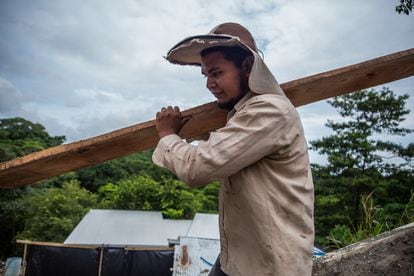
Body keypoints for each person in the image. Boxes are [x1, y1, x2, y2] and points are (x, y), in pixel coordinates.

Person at [152, 22, 314, 276]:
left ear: (248, 67)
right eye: (206, 75)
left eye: (216, 73)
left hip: (270, 267)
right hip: (239, 258)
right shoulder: (244, 113)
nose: (209, 84)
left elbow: (197, 167)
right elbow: (225, 142)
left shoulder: (269, 111)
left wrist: (167, 135)